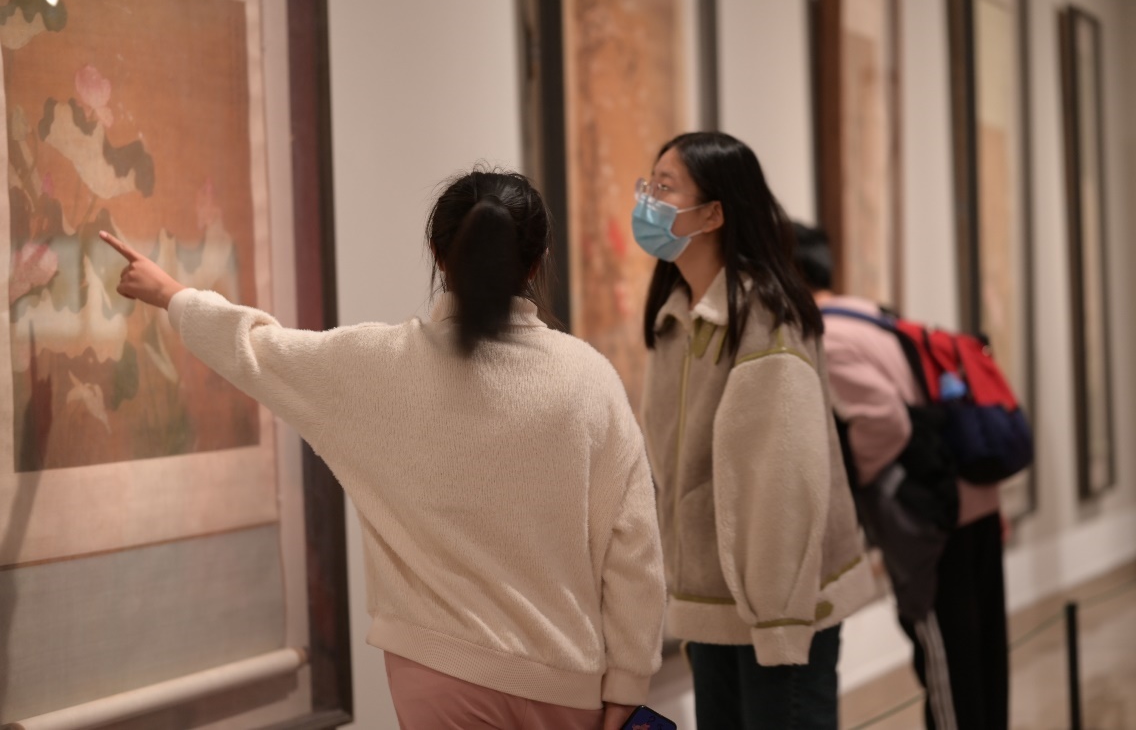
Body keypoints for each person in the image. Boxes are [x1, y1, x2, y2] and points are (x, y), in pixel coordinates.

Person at [100, 169, 666, 730]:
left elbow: (259, 351)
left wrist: (172, 294)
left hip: (441, 674)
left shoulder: (378, 364)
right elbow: (634, 543)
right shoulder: (591, 379)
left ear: (439, 255)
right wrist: (630, 679)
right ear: (538, 261)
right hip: (567, 683)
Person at [633, 131, 875, 729]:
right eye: (648, 185)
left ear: (713, 213)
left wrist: (779, 621)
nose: (647, 202)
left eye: (665, 187)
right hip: (711, 603)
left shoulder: (763, 318)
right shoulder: (674, 317)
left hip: (775, 611)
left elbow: (783, 486)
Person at [792, 223, 1009, 730]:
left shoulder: (827, 336)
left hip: (933, 520)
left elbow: (884, 422)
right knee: (982, 661)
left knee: (947, 667)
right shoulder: (870, 313)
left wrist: (854, 480)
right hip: (972, 501)